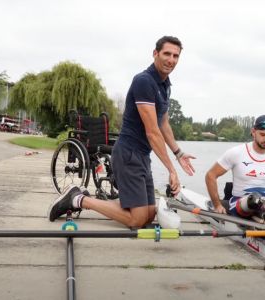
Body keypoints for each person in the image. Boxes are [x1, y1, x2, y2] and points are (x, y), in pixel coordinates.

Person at [48, 36, 195, 228]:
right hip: (128, 154)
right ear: (155, 53)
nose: (171, 60)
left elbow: (163, 123)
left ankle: (93, 199)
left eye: (176, 56)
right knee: (137, 220)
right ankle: (78, 199)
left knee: (149, 214)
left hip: (142, 156)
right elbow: (152, 132)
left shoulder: (165, 85)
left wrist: (179, 153)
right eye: (167, 54)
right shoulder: (144, 81)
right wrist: (171, 170)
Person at [205, 115, 265, 223]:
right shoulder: (236, 153)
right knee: (254, 200)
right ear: (253, 132)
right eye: (263, 134)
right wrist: (217, 205)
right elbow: (210, 175)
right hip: (240, 203)